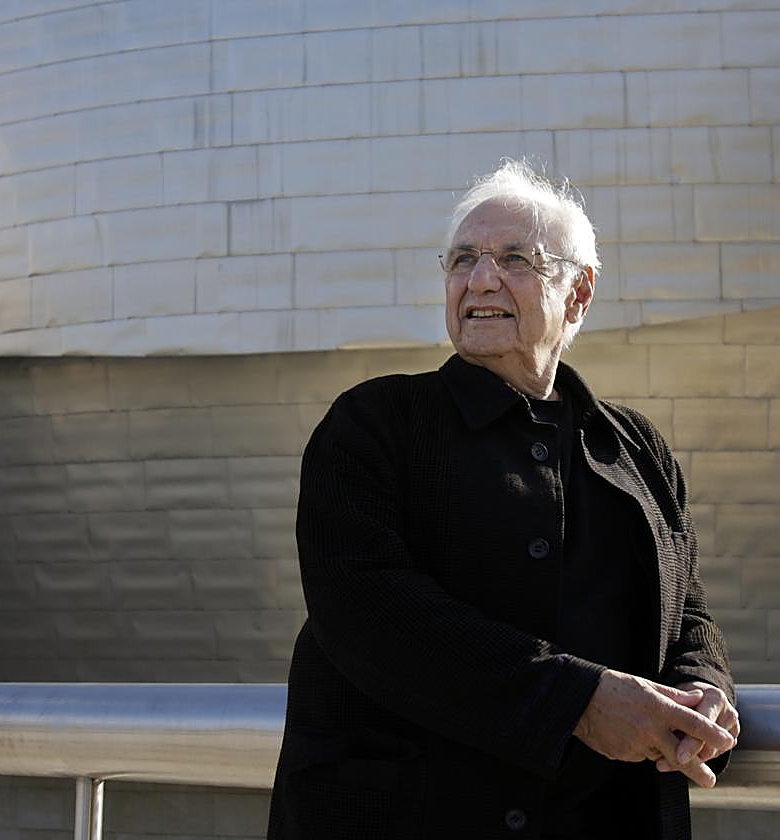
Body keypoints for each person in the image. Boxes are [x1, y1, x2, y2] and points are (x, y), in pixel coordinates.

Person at [267, 159, 738, 840]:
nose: (480, 279)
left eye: (516, 259)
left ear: (579, 294)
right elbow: (365, 607)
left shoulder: (637, 447)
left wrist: (705, 688)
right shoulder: (375, 424)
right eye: (462, 260)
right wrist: (574, 702)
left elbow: (686, 608)